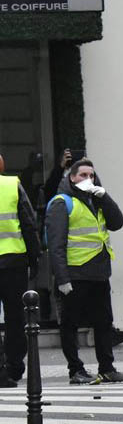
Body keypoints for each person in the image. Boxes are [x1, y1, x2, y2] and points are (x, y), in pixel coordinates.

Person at [46, 159, 123, 384]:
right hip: (75, 274)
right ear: (72, 177)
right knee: (70, 324)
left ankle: (107, 368)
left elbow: (117, 222)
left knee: (104, 322)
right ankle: (75, 370)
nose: (88, 180)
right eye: (83, 175)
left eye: (91, 175)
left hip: (99, 272)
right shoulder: (61, 202)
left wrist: (104, 196)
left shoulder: (96, 199)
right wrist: (62, 278)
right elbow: (55, 245)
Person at [0, 153, 40, 387]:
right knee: (16, 317)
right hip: (14, 262)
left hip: (13, 262)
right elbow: (28, 222)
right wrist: (34, 258)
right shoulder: (12, 185)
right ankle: (14, 367)